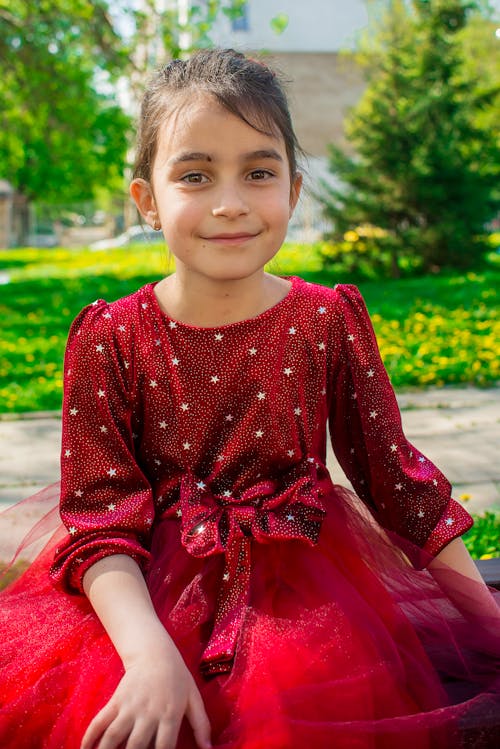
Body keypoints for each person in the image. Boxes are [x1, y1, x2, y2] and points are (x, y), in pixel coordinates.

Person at [0, 48, 499, 749]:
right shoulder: (110, 336)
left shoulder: (326, 320)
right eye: (196, 175)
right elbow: (101, 518)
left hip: (313, 601)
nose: (230, 202)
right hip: (144, 599)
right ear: (146, 199)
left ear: (294, 190)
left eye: (258, 172)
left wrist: (486, 627)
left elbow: (396, 485)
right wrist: (147, 654)